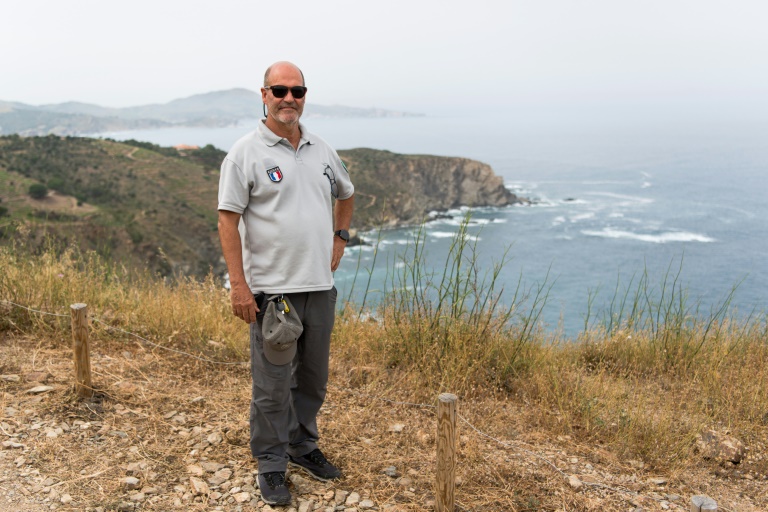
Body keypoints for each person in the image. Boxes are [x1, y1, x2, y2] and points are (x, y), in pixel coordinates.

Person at [217, 61, 354, 506]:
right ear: (263, 94)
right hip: (273, 294)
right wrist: (239, 286)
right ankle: (271, 465)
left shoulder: (320, 149)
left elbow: (346, 194)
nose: (288, 98)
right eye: (280, 90)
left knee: (312, 380)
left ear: (304, 96)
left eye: (297, 91)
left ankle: (302, 447)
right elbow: (227, 218)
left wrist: (340, 236)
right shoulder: (245, 152)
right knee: (272, 386)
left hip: (319, 287)